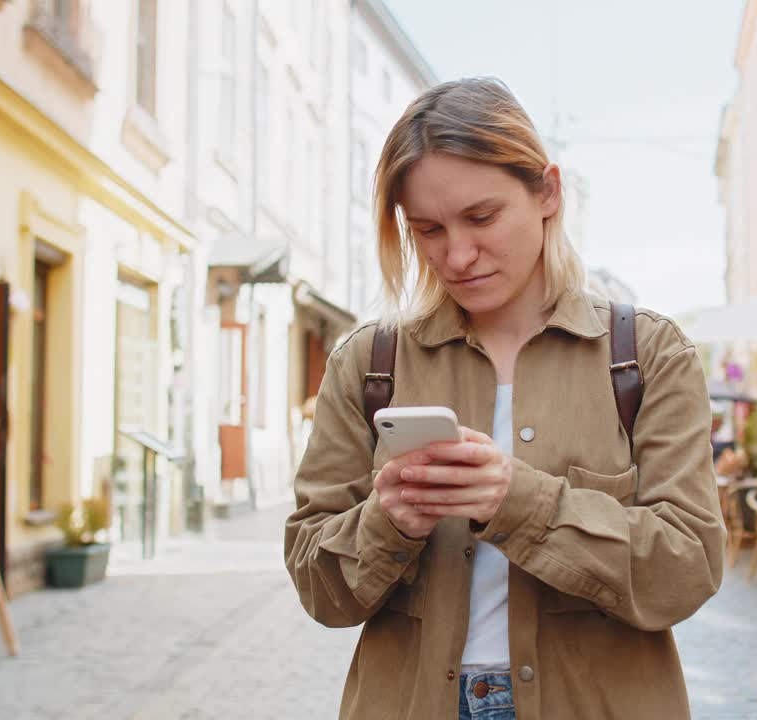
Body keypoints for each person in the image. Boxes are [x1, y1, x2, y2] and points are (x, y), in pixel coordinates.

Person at [283, 78, 725, 720]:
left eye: (482, 217)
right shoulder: (368, 364)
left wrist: (516, 501)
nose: (457, 255)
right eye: (428, 229)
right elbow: (318, 589)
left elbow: (687, 570)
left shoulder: (647, 356)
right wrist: (388, 522)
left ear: (547, 191)